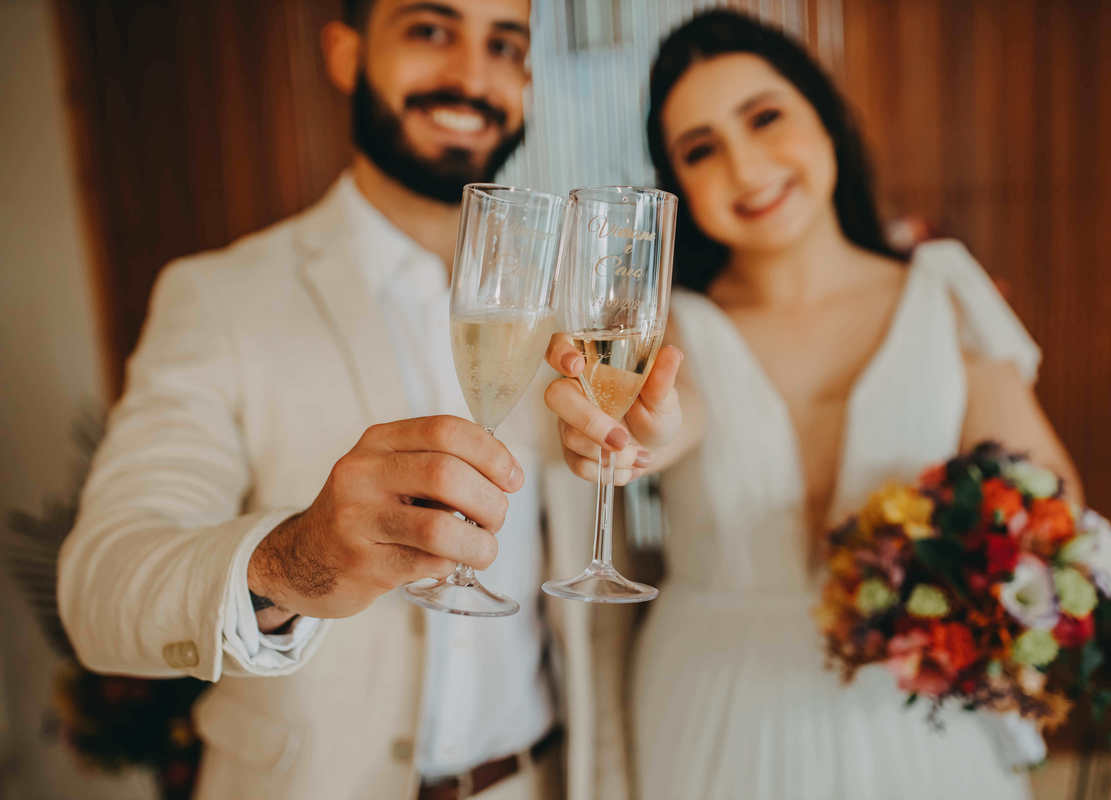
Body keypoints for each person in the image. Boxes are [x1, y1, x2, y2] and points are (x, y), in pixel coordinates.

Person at [57, 1, 664, 797]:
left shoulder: (575, 312)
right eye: (430, 30)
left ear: (525, 78)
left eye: (503, 45)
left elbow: (671, 430)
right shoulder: (217, 296)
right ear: (345, 54)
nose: (470, 74)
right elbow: (100, 592)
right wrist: (293, 561)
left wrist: (657, 439)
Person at [544, 9, 1081, 799]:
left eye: (765, 118)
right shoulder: (668, 322)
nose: (746, 165)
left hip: (917, 719)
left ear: (827, 121)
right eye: (701, 149)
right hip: (714, 715)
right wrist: (626, 437)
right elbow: (662, 421)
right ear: (680, 184)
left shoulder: (946, 295)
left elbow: (1051, 512)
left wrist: (954, 579)